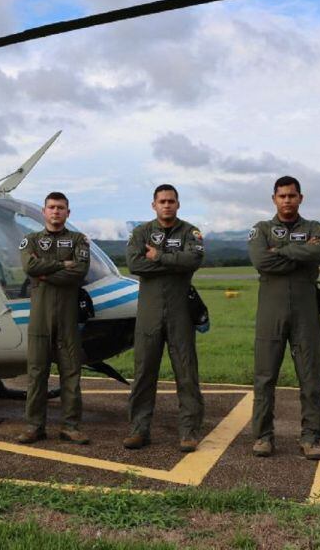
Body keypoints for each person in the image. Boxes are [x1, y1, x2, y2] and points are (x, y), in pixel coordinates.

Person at [248, 176, 320, 460]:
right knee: (265, 376)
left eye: (292, 196)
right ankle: (262, 436)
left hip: (306, 312)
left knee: (310, 377)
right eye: (282, 196)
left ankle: (312, 438)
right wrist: (299, 254)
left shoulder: (314, 228)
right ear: (274, 199)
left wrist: (280, 251)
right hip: (270, 312)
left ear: (300, 198)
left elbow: (318, 251)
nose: (287, 200)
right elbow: (262, 261)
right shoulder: (261, 229)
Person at [123, 184, 205, 452]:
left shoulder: (190, 231)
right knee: (144, 371)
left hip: (180, 311)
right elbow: (135, 265)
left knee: (186, 371)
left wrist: (158, 256)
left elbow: (193, 261)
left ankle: (189, 432)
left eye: (171, 201)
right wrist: (174, 263)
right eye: (162, 201)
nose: (167, 205)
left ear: (178, 204)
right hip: (150, 312)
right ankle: (139, 429)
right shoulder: (141, 232)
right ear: (154, 205)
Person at [14, 192, 91, 445]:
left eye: (61, 208)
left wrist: (45, 272)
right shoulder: (31, 240)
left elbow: (79, 272)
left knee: (71, 372)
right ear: (44, 212)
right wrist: (62, 265)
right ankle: (34, 426)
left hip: (68, 318)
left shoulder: (78, 240)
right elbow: (30, 268)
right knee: (37, 373)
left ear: (68, 212)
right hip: (40, 318)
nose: (56, 211)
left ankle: (71, 426)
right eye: (51, 207)